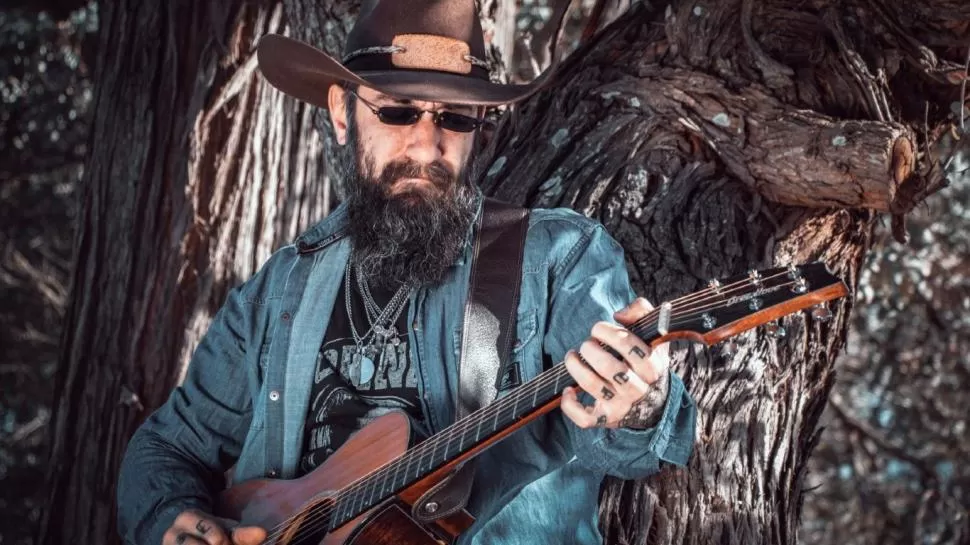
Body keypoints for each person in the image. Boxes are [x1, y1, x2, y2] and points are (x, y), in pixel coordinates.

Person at [116, 1, 696, 544]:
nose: (427, 144)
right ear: (342, 114)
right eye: (397, 109)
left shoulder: (559, 257)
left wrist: (640, 404)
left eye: (455, 117)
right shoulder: (277, 290)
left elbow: (630, 444)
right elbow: (165, 449)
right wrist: (174, 520)